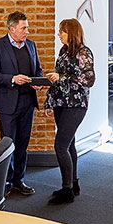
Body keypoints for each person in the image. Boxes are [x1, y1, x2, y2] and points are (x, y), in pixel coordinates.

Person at [0, 11, 45, 196]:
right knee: (7, 144)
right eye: (23, 28)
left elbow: (38, 70)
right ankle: (6, 182)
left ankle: (19, 181)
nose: (27, 31)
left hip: (28, 102)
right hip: (7, 103)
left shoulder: (31, 45)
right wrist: (13, 79)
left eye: (27, 28)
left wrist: (39, 82)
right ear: (12, 29)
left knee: (22, 144)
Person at [43, 18, 94, 205]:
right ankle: (73, 184)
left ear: (72, 33)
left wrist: (62, 77)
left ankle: (67, 191)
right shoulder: (63, 51)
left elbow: (89, 79)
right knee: (69, 144)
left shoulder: (84, 52)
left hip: (76, 105)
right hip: (61, 104)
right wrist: (49, 102)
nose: (59, 34)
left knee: (60, 146)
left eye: (62, 31)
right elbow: (57, 79)